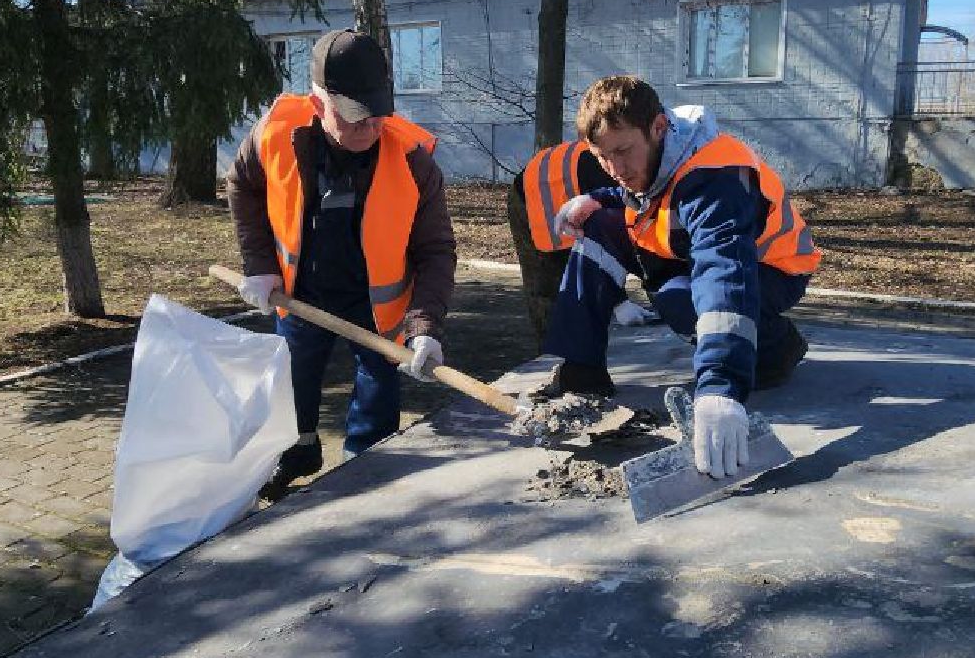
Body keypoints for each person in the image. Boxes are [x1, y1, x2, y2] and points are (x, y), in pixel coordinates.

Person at [539, 74, 820, 479]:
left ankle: (775, 348)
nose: (614, 168)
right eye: (602, 157)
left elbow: (724, 273)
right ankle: (583, 369)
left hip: (771, 269)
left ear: (658, 127)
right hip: (692, 255)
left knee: (685, 304)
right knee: (597, 225)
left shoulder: (716, 179)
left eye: (622, 152)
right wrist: (596, 199)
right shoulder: (650, 156)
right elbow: (639, 195)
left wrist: (720, 389)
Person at [227, 29, 457, 499]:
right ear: (317, 106)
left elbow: (436, 250)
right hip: (301, 295)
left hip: (377, 310)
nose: (369, 129)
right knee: (293, 385)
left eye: (376, 117)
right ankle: (298, 451)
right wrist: (259, 265)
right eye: (353, 119)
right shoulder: (274, 135)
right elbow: (242, 186)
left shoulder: (413, 162)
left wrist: (425, 326)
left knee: (377, 392)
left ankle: (365, 474)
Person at [506, 139, 654, 339]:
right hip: (535, 192)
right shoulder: (619, 171)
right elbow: (602, 245)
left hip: (570, 187)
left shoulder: (651, 172)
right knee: (554, 290)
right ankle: (555, 359)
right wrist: (620, 302)